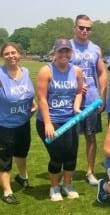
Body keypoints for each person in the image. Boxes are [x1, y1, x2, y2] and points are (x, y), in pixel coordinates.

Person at [36, 39, 83, 201]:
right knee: (57, 155)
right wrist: (48, 123)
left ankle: (67, 184)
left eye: (67, 51)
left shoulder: (76, 70)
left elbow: (79, 92)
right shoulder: (46, 71)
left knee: (71, 154)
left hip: (70, 120)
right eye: (60, 51)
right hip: (50, 120)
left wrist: (76, 107)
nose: (64, 54)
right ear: (54, 53)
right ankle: (54, 187)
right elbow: (42, 99)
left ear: (71, 53)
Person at [70, 14, 107, 186]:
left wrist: (102, 96)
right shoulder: (66, 46)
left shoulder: (96, 49)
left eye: (88, 28)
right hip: (71, 101)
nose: (85, 31)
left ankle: (90, 172)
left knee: (91, 137)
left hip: (91, 100)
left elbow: (101, 72)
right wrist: (74, 86)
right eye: (81, 27)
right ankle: (67, 171)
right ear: (75, 28)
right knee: (71, 138)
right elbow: (57, 70)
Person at [0, 42, 35, 204]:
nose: (11, 56)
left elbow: (29, 93)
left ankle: (22, 177)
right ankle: (7, 191)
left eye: (13, 52)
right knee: (4, 159)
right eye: (7, 53)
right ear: (2, 56)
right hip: (5, 126)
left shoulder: (26, 72)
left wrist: (33, 105)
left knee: (22, 152)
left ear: (19, 54)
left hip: (23, 122)